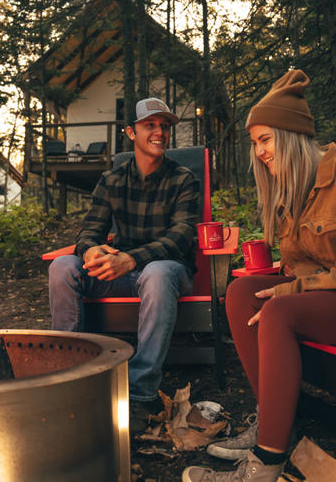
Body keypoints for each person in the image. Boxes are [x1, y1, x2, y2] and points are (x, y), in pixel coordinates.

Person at [183, 70, 336, 482]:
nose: (259, 152)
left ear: (292, 135)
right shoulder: (294, 190)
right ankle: (275, 421)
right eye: (255, 143)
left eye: (265, 140)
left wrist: (293, 290)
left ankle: (266, 463)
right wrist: (288, 281)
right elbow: (301, 267)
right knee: (242, 292)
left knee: (279, 311)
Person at [49, 97, 199, 430]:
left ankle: (141, 393)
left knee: (157, 272)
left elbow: (180, 237)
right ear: (131, 133)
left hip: (168, 270)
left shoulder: (184, 179)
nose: (159, 132)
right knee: (61, 267)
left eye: (164, 126)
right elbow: (89, 231)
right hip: (119, 272)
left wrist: (130, 259)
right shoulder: (111, 180)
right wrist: (90, 250)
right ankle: (69, 374)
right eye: (150, 125)